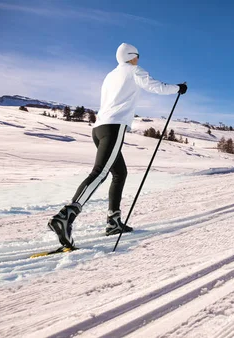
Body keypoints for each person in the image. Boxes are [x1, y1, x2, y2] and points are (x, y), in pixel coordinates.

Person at [47, 43, 187, 249]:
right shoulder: (133, 70)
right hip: (114, 127)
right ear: (131, 56)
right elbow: (155, 86)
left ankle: (113, 222)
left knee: (119, 173)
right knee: (100, 173)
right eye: (137, 55)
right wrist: (178, 88)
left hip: (99, 128)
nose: (139, 59)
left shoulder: (110, 76)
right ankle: (66, 215)